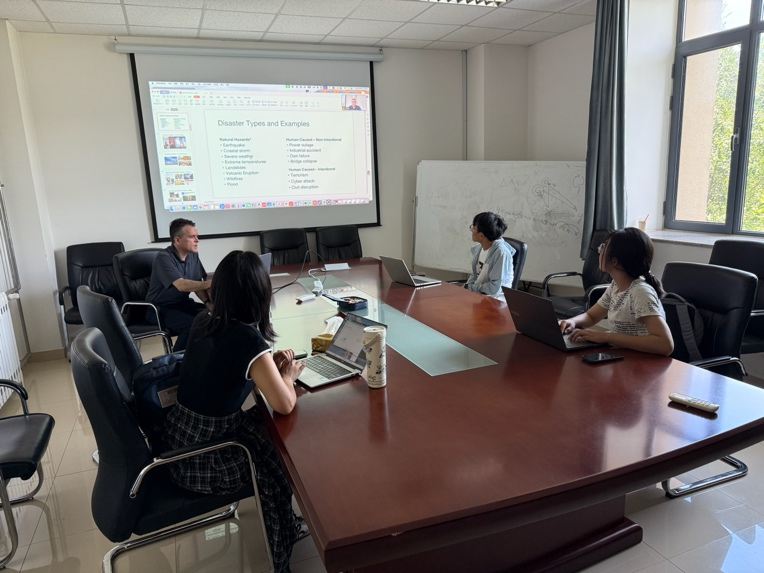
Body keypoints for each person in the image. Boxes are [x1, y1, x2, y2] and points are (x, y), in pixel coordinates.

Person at [164, 250, 306, 573]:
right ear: (261, 294)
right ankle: (281, 544)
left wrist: (269, 367)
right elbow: (285, 404)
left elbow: (226, 374)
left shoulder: (204, 320)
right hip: (206, 458)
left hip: (180, 440)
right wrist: (288, 375)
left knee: (270, 436)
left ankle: (286, 524)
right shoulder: (247, 339)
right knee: (278, 455)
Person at [559, 227, 674, 356]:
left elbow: (665, 344)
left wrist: (606, 336)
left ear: (614, 261)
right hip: (622, 356)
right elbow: (591, 316)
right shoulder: (615, 286)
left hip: (642, 362)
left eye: (603, 247)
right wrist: (572, 322)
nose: (599, 251)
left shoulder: (640, 292)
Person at [146, 218, 212, 351]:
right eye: (192, 237)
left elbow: (197, 283)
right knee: (191, 326)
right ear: (177, 240)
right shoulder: (163, 258)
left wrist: (207, 303)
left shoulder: (192, 255)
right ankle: (176, 360)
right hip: (159, 309)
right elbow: (181, 285)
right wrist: (212, 283)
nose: (197, 240)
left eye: (197, 236)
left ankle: (205, 356)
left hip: (183, 304)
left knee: (214, 318)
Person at [464, 212, 515, 298]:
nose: (471, 230)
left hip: (496, 300)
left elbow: (494, 289)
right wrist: (465, 288)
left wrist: (469, 288)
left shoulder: (501, 253)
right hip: (479, 295)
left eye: (474, 228)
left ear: (481, 235)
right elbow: (475, 276)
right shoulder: (478, 249)